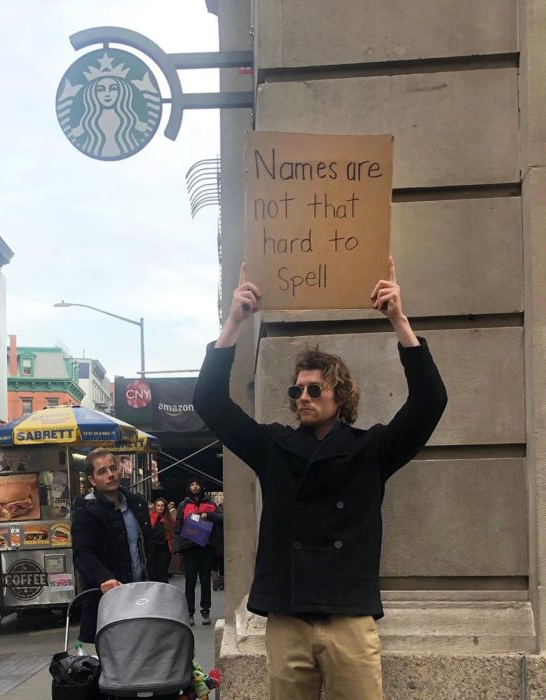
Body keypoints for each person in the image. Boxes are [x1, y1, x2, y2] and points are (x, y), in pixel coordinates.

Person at [192, 259, 447, 700]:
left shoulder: (371, 450)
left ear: (341, 395)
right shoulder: (273, 447)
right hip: (287, 616)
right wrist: (233, 320)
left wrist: (398, 320)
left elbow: (429, 403)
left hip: (348, 617)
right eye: (296, 390)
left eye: (314, 389)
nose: (303, 397)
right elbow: (209, 402)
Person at [72, 448, 154, 644]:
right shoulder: (86, 510)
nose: (111, 475)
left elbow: (148, 547)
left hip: (144, 598)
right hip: (109, 603)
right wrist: (104, 577)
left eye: (113, 468)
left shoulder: (136, 504)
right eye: (102, 471)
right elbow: (83, 553)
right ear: (92, 480)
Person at [174, 478, 223, 626]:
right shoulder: (183, 505)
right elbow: (178, 527)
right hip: (190, 548)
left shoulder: (211, 504)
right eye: (192, 484)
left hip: (206, 547)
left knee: (205, 581)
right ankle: (189, 612)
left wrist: (208, 515)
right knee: (189, 582)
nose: (195, 487)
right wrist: (178, 548)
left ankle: (205, 611)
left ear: (201, 486)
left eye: (197, 484)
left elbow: (221, 518)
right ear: (189, 487)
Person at [150, 497, 174, 583]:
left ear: (165, 507)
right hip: (152, 548)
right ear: (155, 507)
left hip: (164, 548)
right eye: (158, 505)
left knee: (162, 573)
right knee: (152, 573)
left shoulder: (169, 520)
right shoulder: (150, 518)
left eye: (162, 505)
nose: (160, 507)